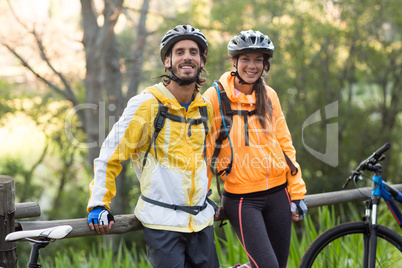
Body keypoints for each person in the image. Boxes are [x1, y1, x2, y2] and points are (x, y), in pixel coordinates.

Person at [87, 24, 220, 268]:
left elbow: (202, 159)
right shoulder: (147, 104)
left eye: (194, 51)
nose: (187, 57)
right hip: (163, 226)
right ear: (167, 61)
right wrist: (98, 203)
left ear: (202, 60)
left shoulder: (205, 108)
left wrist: (207, 197)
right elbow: (110, 155)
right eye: (179, 52)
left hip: (201, 222)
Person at [203, 30, 307, 268]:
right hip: (242, 199)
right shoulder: (215, 97)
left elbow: (284, 143)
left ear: (265, 63)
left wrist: (297, 191)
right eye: (246, 59)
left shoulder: (269, 96)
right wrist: (204, 196)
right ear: (234, 61)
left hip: (279, 194)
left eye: (258, 59)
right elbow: (206, 152)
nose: (252, 65)